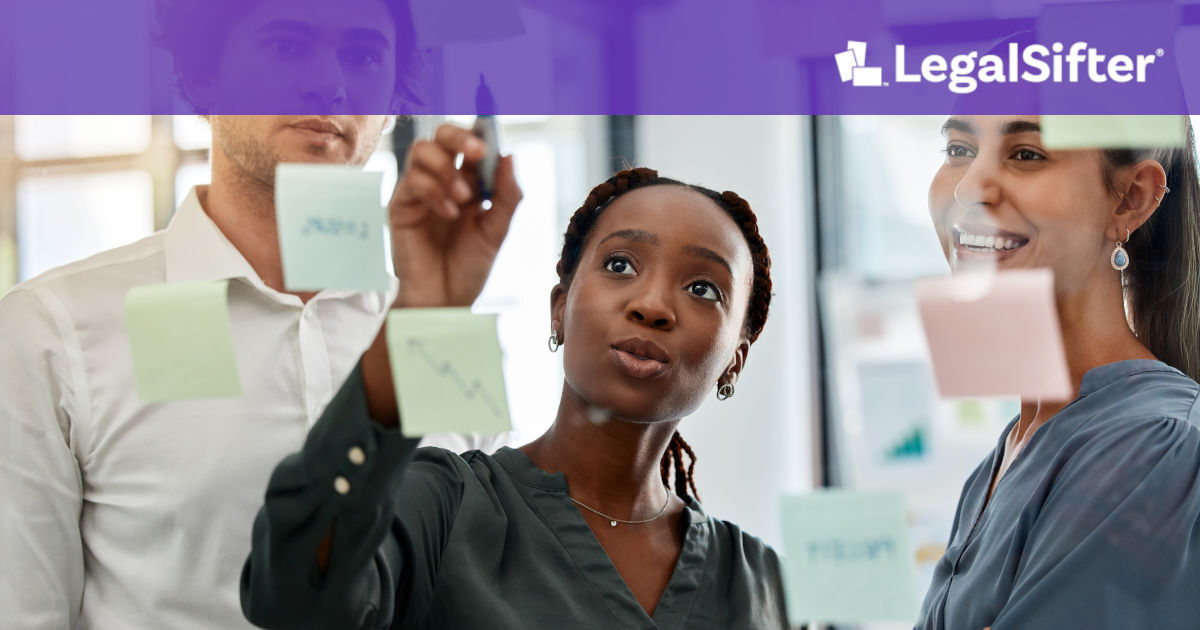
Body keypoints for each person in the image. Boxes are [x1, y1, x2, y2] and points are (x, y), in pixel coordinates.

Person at [238, 139, 788, 628]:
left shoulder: (759, 583)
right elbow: (292, 598)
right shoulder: (446, 505)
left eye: (703, 288)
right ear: (559, 310)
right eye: (620, 265)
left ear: (734, 361)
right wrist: (415, 320)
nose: (651, 305)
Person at [916, 115, 1200, 629]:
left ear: (1130, 199)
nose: (968, 187)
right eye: (958, 149)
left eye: (1026, 154)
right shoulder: (1010, 450)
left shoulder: (1151, 446)